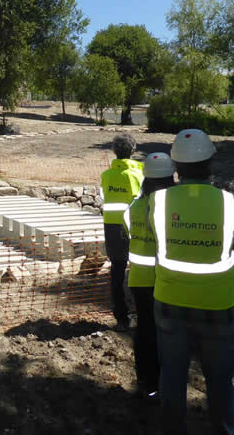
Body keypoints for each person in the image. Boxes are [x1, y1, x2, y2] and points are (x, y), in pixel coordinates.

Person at [148, 129, 234, 435]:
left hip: (170, 302)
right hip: (218, 304)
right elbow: (232, 242)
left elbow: (155, 239)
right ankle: (225, 429)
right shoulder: (230, 203)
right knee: (220, 379)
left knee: (173, 377)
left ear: (176, 165)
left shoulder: (158, 201)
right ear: (210, 163)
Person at [123, 152, 175, 399]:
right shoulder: (172, 208)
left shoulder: (135, 206)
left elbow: (128, 230)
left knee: (144, 330)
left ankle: (147, 382)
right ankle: (168, 380)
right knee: (169, 332)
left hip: (139, 280)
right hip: (166, 280)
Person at [100, 134, 144, 331]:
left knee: (116, 272)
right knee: (140, 271)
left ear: (114, 151)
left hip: (111, 228)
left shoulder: (106, 176)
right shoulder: (138, 175)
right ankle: (143, 314)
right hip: (135, 228)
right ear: (133, 151)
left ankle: (121, 318)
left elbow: (104, 197)